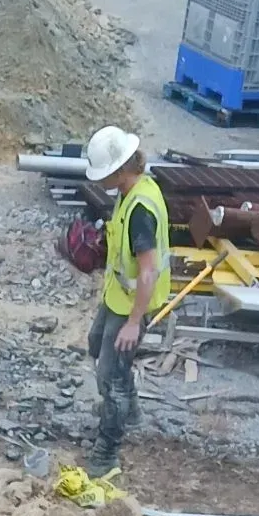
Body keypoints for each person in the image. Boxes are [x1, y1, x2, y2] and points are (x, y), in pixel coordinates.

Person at [81, 124, 170, 476]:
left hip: (133, 304)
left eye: (104, 173)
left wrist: (134, 322)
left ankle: (107, 453)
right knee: (95, 345)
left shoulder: (140, 211)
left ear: (120, 170)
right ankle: (130, 412)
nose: (100, 180)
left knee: (111, 376)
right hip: (118, 296)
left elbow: (147, 271)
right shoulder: (133, 191)